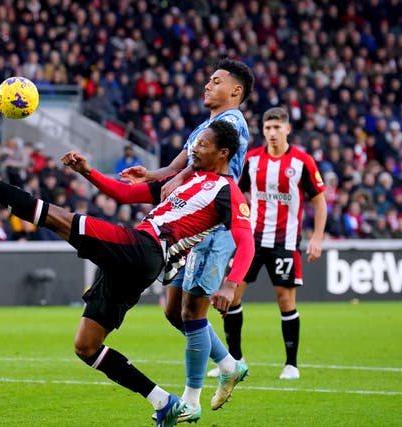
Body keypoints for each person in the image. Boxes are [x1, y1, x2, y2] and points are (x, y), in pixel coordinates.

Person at [0, 121, 254, 427]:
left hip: (146, 249)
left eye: (202, 144)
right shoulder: (185, 179)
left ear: (223, 153)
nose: (194, 148)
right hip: (139, 260)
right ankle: (164, 402)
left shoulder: (227, 191)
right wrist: (87, 171)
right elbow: (124, 194)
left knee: (58, 218)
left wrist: (230, 284)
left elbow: (246, 241)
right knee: (86, 345)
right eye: (195, 142)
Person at [119, 58, 255, 420]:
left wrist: (181, 177)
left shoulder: (231, 123)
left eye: (216, 80)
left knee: (192, 313)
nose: (207, 85)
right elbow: (176, 168)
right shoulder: (205, 125)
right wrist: (154, 174)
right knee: (172, 311)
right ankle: (228, 365)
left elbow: (196, 168)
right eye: (208, 79)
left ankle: (190, 401)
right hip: (190, 224)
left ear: (236, 91)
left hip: (215, 223)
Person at [208, 107, 327, 380]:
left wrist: (317, 237)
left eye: (277, 128)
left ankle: (291, 364)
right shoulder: (252, 161)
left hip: (285, 242)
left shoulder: (302, 162)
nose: (272, 133)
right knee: (232, 296)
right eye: (268, 128)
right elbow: (233, 192)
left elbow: (319, 200)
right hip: (250, 239)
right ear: (262, 131)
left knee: (285, 300)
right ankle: (235, 360)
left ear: (287, 129)